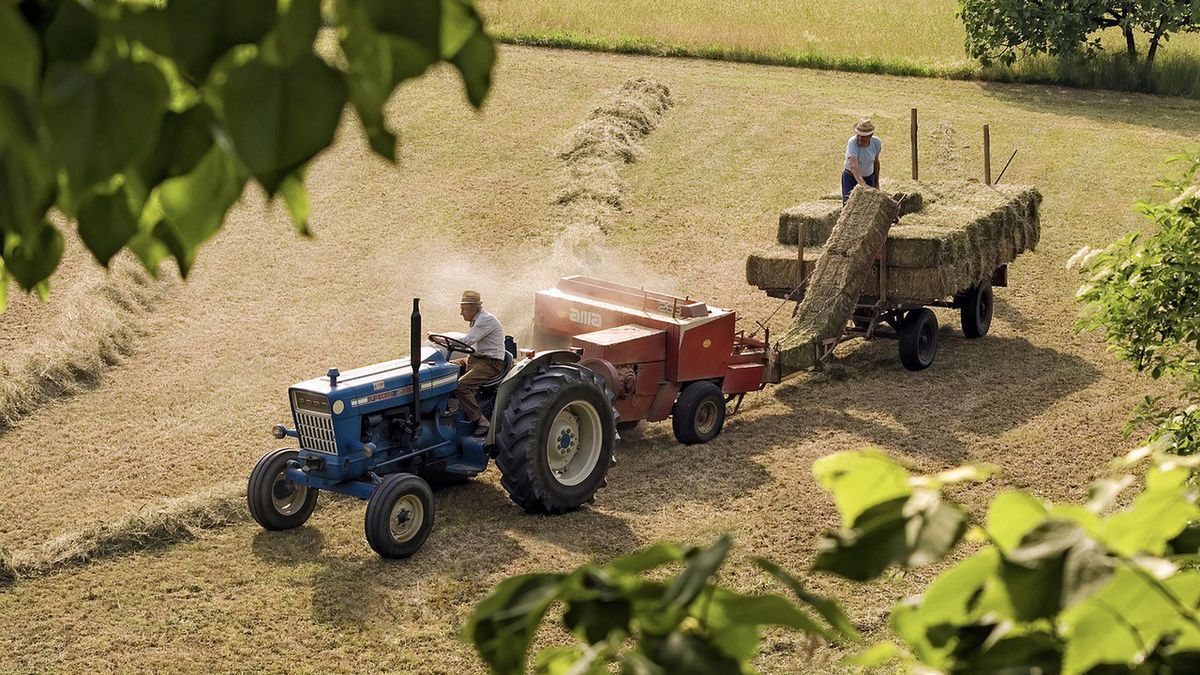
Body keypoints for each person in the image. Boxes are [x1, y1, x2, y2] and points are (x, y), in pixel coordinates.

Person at [451, 290, 507, 436]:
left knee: (460, 386)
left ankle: (481, 420)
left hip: (490, 363)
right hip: (476, 359)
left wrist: (445, 340)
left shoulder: (485, 320)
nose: (461, 313)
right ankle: (450, 409)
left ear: (474, 308)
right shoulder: (478, 319)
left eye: (463, 309)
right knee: (447, 370)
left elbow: (468, 341)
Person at [842, 118, 881, 204]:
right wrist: (863, 185)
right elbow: (854, 166)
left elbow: (876, 162)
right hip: (851, 178)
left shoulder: (876, 142)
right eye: (858, 135)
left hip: (869, 177)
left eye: (862, 136)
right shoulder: (852, 143)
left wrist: (876, 183)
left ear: (870, 136)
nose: (859, 138)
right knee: (849, 205)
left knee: (870, 206)